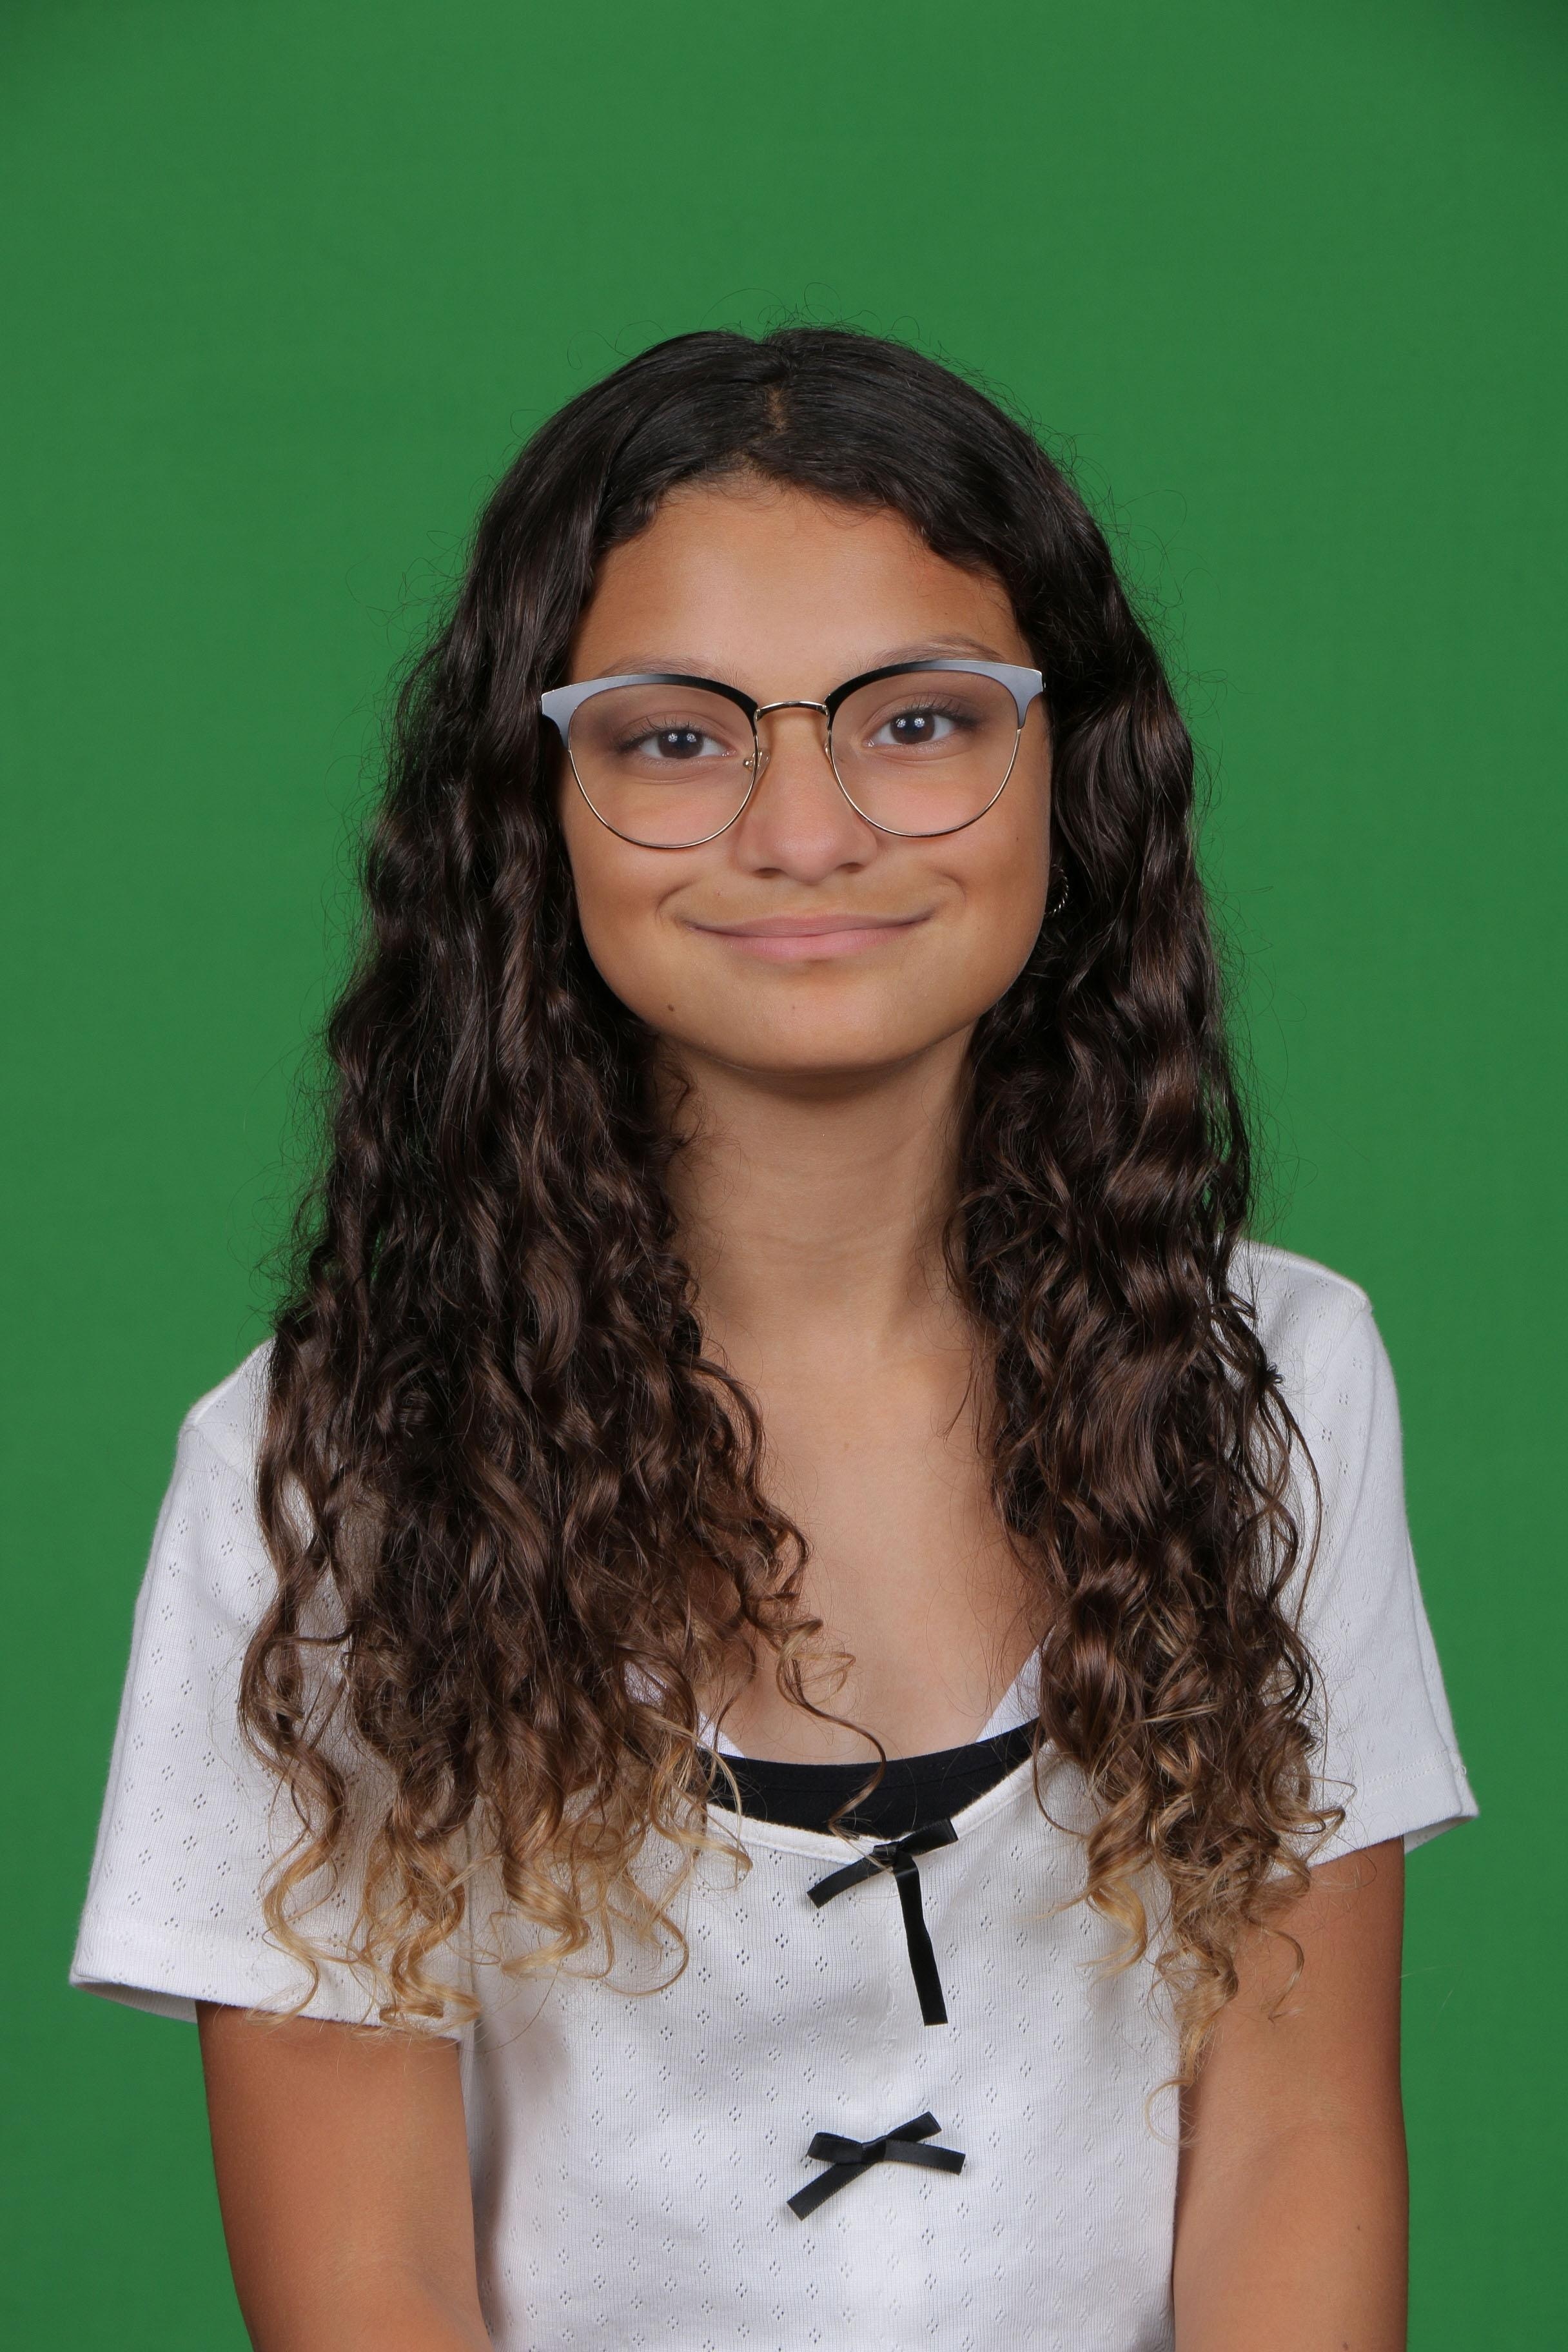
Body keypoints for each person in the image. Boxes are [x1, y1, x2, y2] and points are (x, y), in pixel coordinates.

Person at [72, 326, 1475, 2352]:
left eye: (919, 722)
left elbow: (1297, 2135)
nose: (805, 831)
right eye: (675, 737)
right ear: (530, 807)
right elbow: (368, 2274)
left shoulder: (1280, 1377)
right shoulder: (332, 1469)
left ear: (1070, 774)